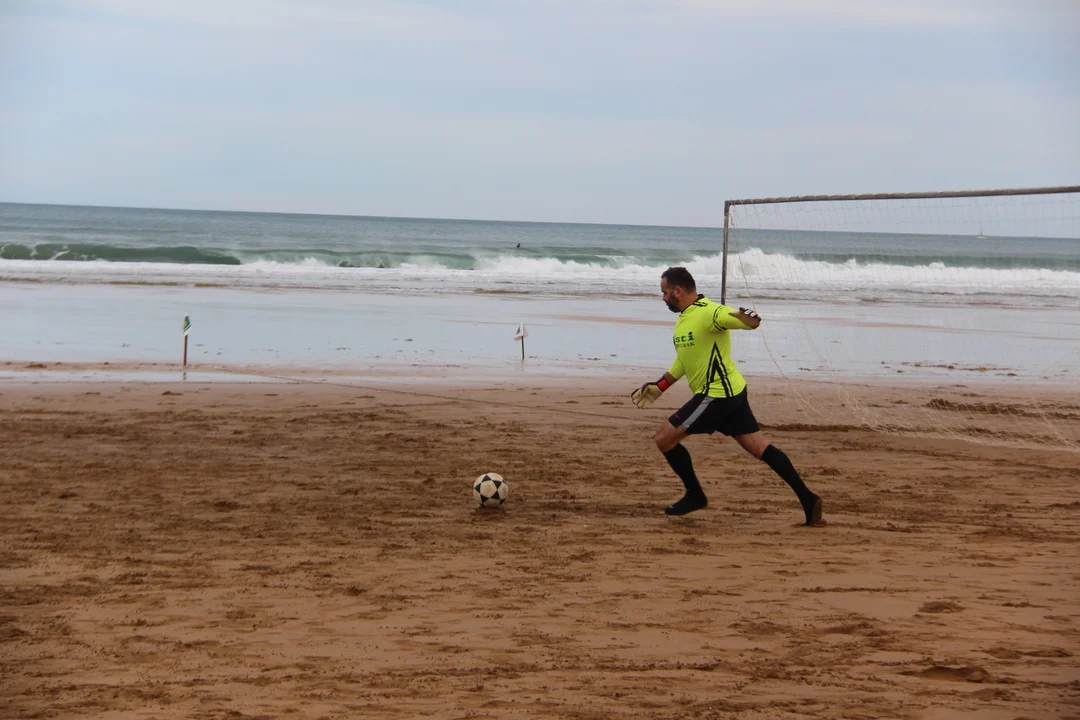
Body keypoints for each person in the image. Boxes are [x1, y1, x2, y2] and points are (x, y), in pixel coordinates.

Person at [631, 266, 823, 525]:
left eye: (665, 293)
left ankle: (695, 495)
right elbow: (684, 361)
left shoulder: (711, 312)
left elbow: (738, 320)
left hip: (716, 395)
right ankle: (808, 499)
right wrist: (660, 386)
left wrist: (750, 320)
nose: (663, 298)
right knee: (760, 448)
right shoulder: (685, 318)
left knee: (664, 438)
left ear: (678, 291)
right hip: (732, 393)